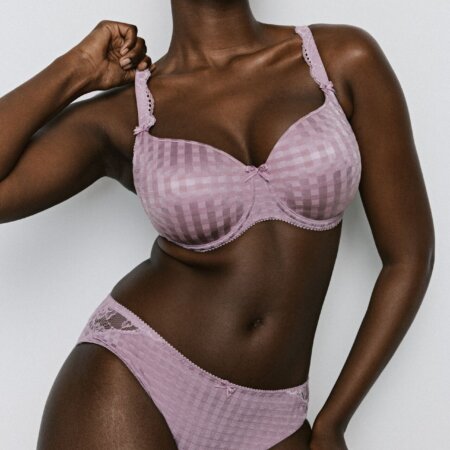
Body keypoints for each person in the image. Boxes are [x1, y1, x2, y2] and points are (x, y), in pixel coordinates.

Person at [0, 1, 434, 449]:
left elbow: (409, 257)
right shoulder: (127, 112)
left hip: (275, 415)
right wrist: (76, 69)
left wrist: (333, 422)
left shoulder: (341, 59)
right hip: (134, 383)